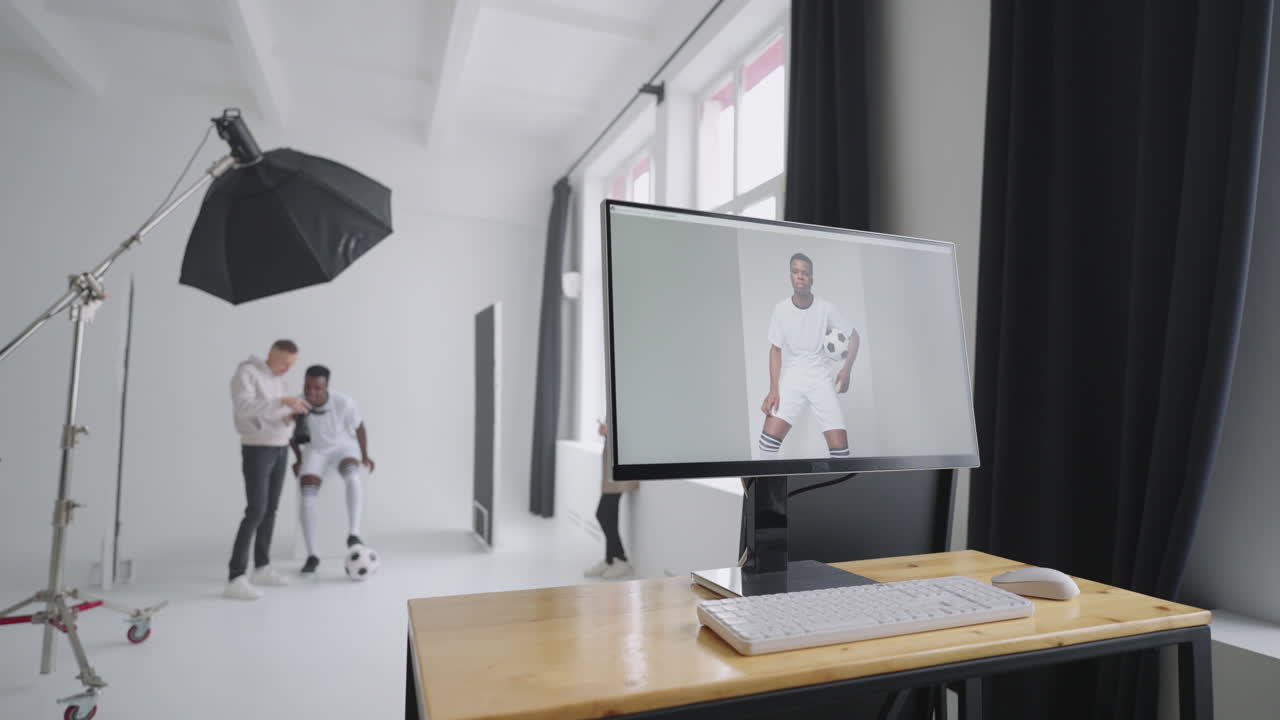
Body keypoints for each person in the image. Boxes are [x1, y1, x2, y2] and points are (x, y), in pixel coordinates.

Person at [227, 339, 310, 601]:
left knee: (271, 509)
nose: (287, 368)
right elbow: (243, 409)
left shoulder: (278, 380)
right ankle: (235, 577)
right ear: (272, 354)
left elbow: (270, 415)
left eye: (292, 365)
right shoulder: (246, 373)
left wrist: (289, 415)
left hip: (280, 446)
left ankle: (261, 567)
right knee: (256, 510)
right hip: (257, 449)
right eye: (285, 362)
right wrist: (281, 401)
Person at [758, 253, 860, 460]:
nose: (800, 277)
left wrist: (846, 370)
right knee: (766, 446)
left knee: (842, 454)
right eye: (796, 272)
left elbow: (854, 337)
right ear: (790, 276)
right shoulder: (780, 309)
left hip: (820, 379)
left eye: (805, 273)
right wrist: (773, 389)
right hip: (793, 378)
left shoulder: (826, 308)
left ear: (812, 278)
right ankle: (771, 490)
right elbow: (775, 349)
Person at [290, 365, 375, 576]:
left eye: (316, 387)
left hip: (342, 445)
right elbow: (290, 434)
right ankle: (312, 554)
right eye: (307, 386)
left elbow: (359, 427)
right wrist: (298, 459)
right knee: (307, 495)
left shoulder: (343, 402)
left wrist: (364, 455)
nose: (311, 391)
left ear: (326, 386)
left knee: (352, 476)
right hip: (316, 450)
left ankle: (353, 533)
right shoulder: (298, 403)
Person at [584, 420, 636, 579]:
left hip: (622, 462)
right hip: (613, 463)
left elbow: (631, 431)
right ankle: (610, 560)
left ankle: (621, 559)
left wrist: (611, 432)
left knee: (603, 514)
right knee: (610, 514)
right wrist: (607, 432)